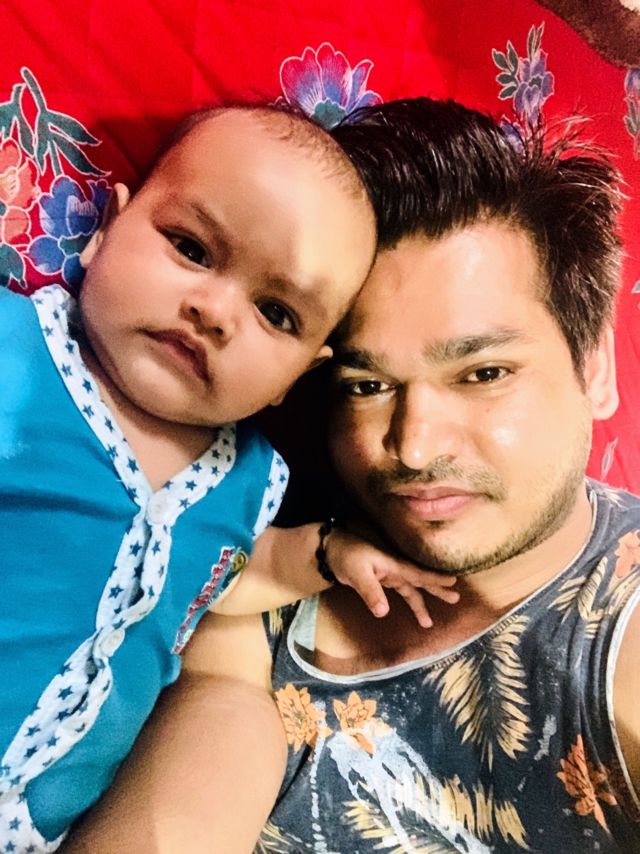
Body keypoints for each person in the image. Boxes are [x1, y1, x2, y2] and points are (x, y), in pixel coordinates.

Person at [63, 96, 640, 853]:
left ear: (595, 368)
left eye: (483, 372)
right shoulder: (262, 541)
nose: (413, 446)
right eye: (366, 386)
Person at [0, 104, 460, 853]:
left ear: (298, 377)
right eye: (190, 247)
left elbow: (225, 578)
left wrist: (325, 555)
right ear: (107, 228)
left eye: (276, 313)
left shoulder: (246, 479)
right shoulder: (17, 354)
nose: (214, 311)